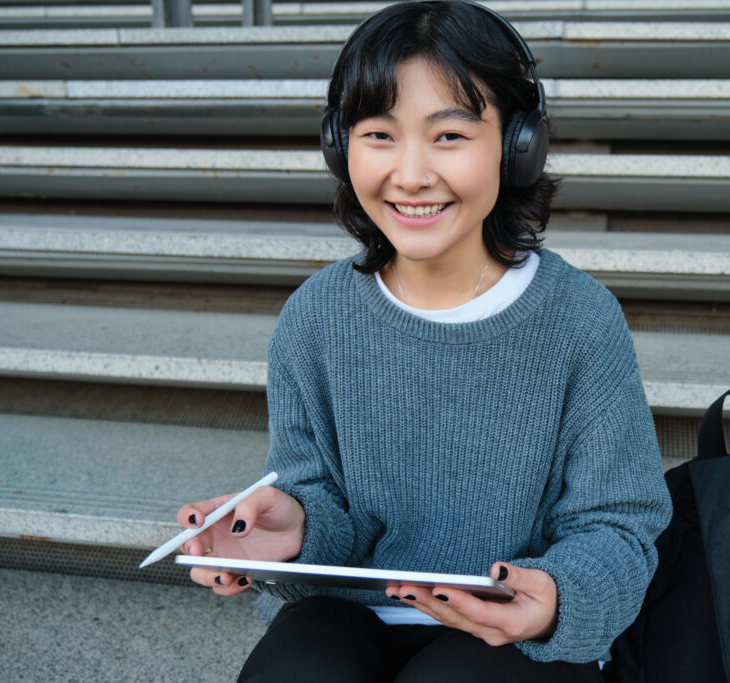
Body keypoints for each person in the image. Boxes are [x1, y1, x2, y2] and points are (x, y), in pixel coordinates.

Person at [176, 1, 671, 680]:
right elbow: (323, 501)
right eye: (379, 135)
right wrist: (291, 525)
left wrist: (555, 600)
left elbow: (617, 526)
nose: (410, 174)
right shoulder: (314, 317)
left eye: (449, 136)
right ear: (338, 144)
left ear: (519, 144)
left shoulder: (580, 320)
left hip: (507, 632)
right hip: (349, 611)